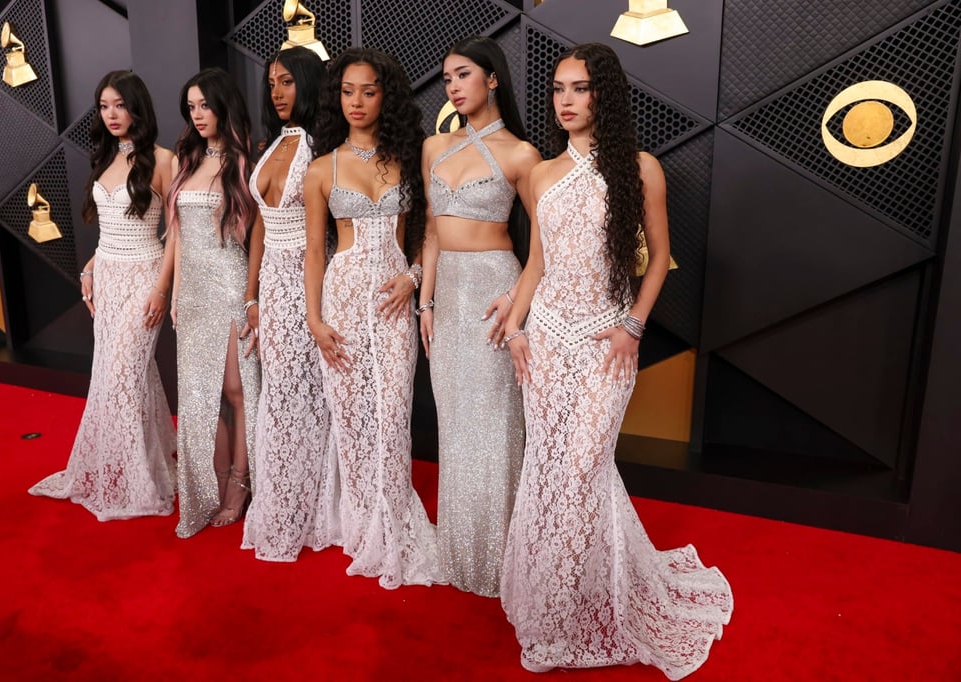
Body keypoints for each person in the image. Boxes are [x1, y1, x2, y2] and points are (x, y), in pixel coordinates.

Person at [500, 44, 733, 677]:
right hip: (545, 339)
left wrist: (633, 327)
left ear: (604, 93)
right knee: (550, 469)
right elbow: (539, 264)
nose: (566, 101)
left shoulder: (640, 168)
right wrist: (517, 325)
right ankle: (553, 609)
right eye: (557, 89)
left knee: (582, 467)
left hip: (607, 339)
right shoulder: (541, 173)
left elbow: (656, 259)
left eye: (579, 88)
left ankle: (567, 611)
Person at [303, 47, 441, 589]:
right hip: (340, 299)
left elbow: (423, 237)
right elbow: (315, 251)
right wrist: (314, 320)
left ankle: (393, 524)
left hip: (392, 303)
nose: (357, 101)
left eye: (369, 91)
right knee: (354, 418)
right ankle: (362, 526)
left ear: (386, 97)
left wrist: (412, 279)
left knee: (392, 414)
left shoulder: (407, 159)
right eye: (347, 91)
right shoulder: (321, 168)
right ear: (337, 97)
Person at [418, 35, 541, 597]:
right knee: (456, 426)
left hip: (495, 288)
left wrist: (518, 295)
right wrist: (425, 300)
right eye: (447, 78)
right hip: (449, 298)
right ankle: (459, 551)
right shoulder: (432, 148)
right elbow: (430, 232)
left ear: (492, 78)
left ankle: (501, 559)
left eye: (463, 74)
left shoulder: (521, 154)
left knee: (494, 427)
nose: (453, 86)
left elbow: (548, 241)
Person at [29, 71, 176, 520]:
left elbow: (178, 233)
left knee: (124, 377)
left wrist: (161, 288)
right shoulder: (105, 157)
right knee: (120, 374)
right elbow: (110, 231)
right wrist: (89, 268)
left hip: (145, 277)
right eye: (105, 106)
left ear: (138, 108)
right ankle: (147, 464)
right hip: (108, 278)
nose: (112, 115)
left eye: (120, 105)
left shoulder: (164, 159)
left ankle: (134, 482)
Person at [241, 46, 340, 561]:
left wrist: (316, 305)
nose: (277, 92)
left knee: (311, 395)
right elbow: (259, 223)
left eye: (287, 82)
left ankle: (316, 504)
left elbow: (327, 239)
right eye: (271, 83)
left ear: (308, 83)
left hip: (311, 282)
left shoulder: (325, 148)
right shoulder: (271, 143)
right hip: (272, 287)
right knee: (280, 392)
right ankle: (282, 499)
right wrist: (251, 294)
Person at [167, 67, 261, 538]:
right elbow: (179, 237)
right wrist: (176, 292)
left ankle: (240, 486)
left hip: (228, 284)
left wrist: (250, 298)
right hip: (195, 293)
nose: (198, 115)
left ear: (223, 105)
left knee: (235, 391)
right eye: (191, 107)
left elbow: (253, 237)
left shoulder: (244, 162)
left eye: (205, 105)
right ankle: (216, 483)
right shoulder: (187, 160)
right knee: (199, 396)